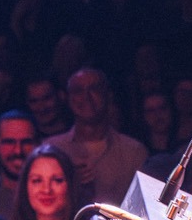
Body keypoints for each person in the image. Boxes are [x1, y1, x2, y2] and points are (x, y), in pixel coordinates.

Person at [51, 68, 148, 206]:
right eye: (78, 90)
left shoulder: (134, 152)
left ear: (108, 95)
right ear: (68, 99)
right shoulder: (53, 149)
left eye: (94, 89)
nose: (86, 96)